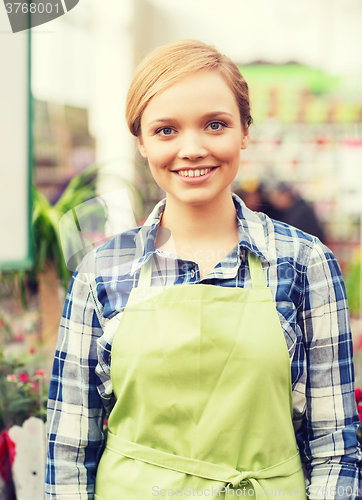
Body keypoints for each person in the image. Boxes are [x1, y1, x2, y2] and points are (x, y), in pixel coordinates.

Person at [45, 39, 362, 500]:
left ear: (245, 131)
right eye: (166, 130)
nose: (191, 149)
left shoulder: (305, 262)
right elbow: (70, 450)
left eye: (215, 124)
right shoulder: (101, 272)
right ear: (141, 142)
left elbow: (335, 446)